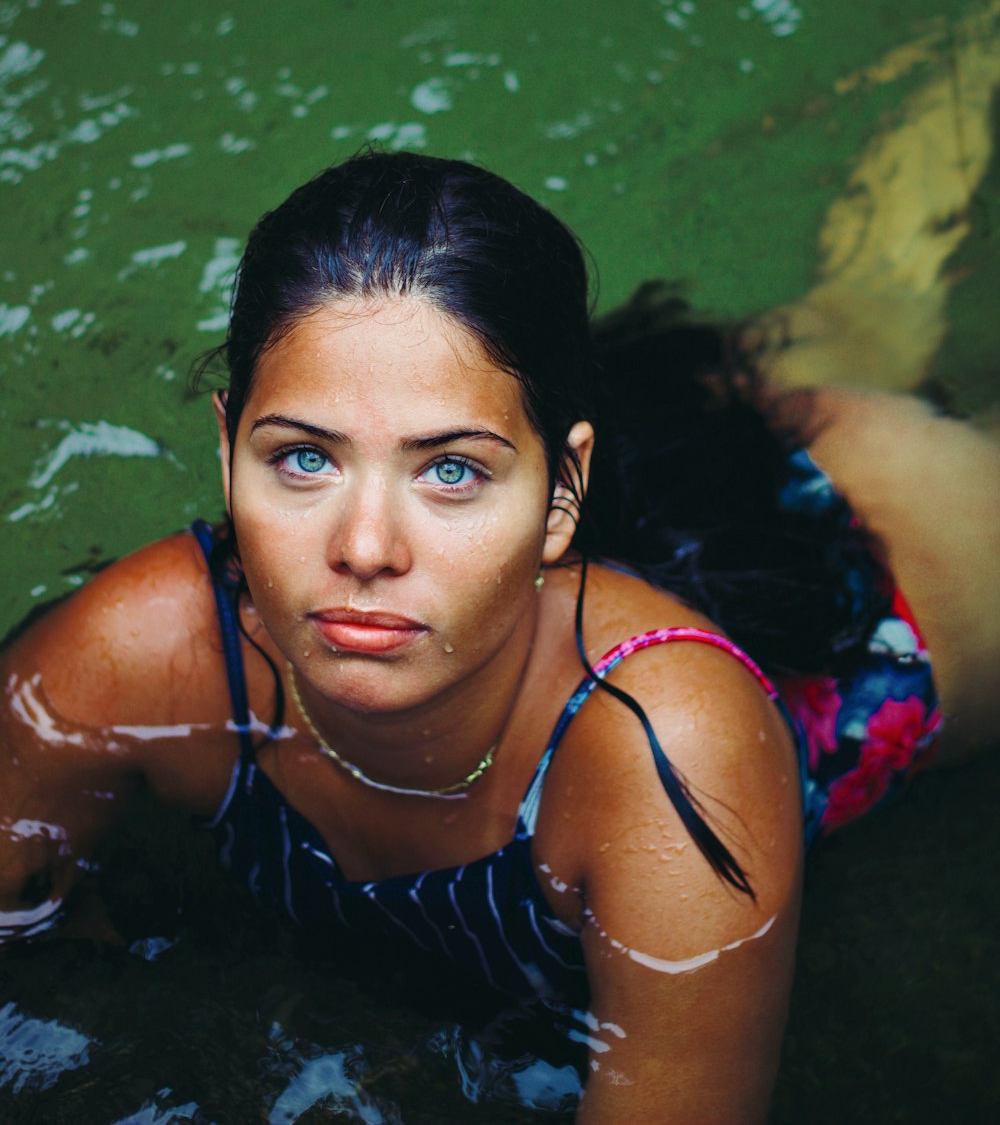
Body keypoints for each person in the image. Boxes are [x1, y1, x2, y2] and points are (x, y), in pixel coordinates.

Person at [1, 150, 998, 1124]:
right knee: (845, 317)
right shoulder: (135, 654)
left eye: (449, 473)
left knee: (876, 309)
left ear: (562, 494)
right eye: (304, 458)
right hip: (628, 454)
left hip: (898, 573)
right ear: (227, 452)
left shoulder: (669, 757)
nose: (362, 547)